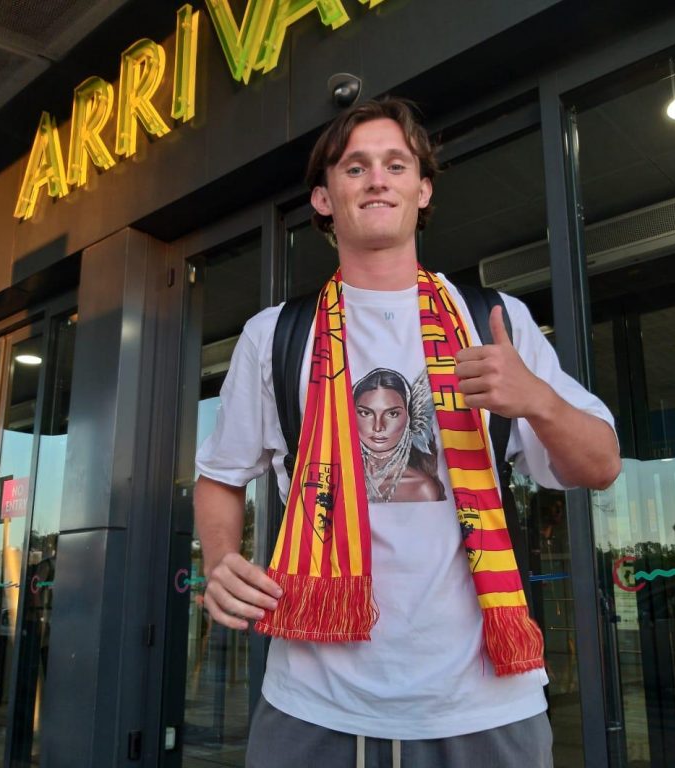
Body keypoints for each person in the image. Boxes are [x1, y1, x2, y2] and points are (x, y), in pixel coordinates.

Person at [194, 97, 621, 767]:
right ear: (324, 199)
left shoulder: (494, 320)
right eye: (355, 167)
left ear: (422, 191)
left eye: (396, 165)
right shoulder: (274, 335)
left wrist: (537, 399)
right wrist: (220, 560)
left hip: (483, 703)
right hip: (313, 701)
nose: (377, 179)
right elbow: (220, 476)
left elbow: (601, 465)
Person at [353, 367, 444, 503]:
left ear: (409, 418)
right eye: (366, 413)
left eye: (392, 414)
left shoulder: (421, 489)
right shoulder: (338, 478)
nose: (378, 427)